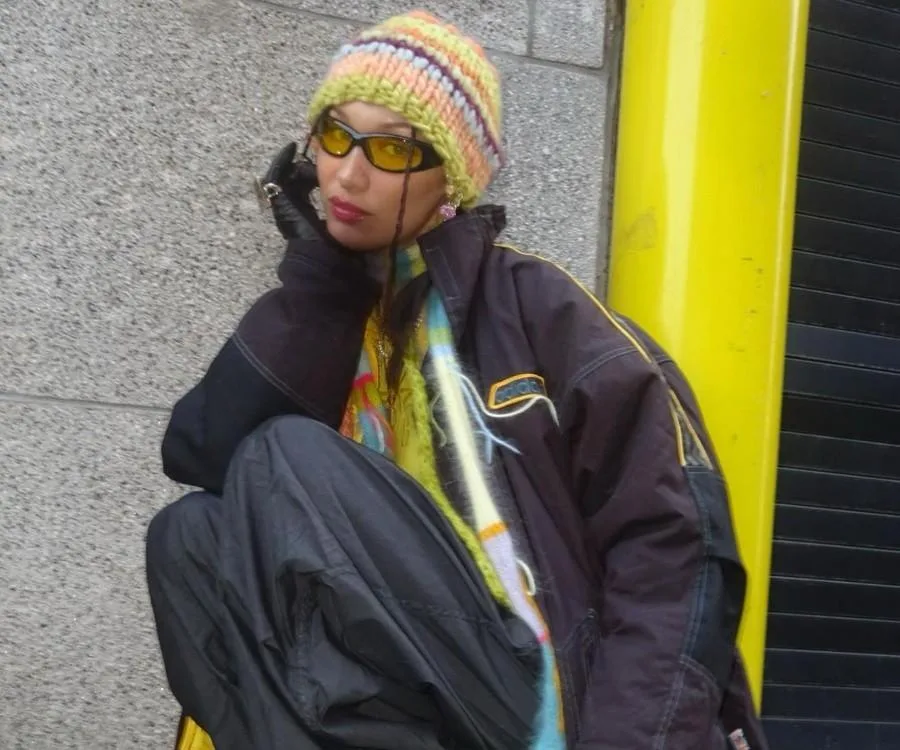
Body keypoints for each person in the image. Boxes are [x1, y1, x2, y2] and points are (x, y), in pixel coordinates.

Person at [146, 10, 767, 750]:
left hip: (535, 699)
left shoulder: (544, 312)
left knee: (287, 456)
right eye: (336, 136)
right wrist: (321, 290)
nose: (348, 172)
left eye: (392, 151)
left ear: (454, 175)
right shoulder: (332, 316)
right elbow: (205, 458)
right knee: (186, 536)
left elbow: (676, 548)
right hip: (401, 701)